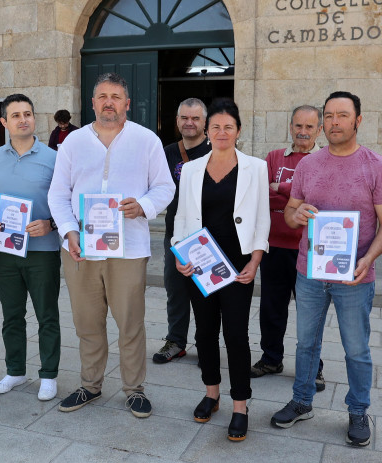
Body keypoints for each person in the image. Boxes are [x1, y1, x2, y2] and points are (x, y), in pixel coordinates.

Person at [271, 91, 382, 447]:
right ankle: (302, 401)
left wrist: (368, 259)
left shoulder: (376, 166)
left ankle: (358, 409)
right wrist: (296, 215)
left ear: (358, 120)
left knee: (356, 348)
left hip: (354, 276)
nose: (334, 122)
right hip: (309, 272)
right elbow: (291, 211)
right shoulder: (308, 165)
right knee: (305, 343)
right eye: (329, 116)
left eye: (342, 115)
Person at [48, 73, 174, 418]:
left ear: (127, 104)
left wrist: (144, 206)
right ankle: (90, 384)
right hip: (80, 248)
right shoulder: (73, 142)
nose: (109, 102)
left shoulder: (146, 140)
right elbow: (58, 193)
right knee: (87, 322)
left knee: (130, 322)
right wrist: (68, 232)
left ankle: (134, 390)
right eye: (102, 96)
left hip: (129, 249)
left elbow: (165, 187)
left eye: (116, 96)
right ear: (92, 103)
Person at [173, 99, 270, 442]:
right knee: (204, 332)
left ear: (238, 131)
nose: (222, 132)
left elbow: (262, 218)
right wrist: (177, 253)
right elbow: (182, 216)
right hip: (200, 265)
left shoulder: (256, 168)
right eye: (215, 126)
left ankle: (240, 405)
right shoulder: (192, 169)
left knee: (236, 334)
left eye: (229, 126)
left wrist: (256, 259)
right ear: (206, 130)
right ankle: (211, 393)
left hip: (238, 266)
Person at [0, 94, 61, 401]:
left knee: (47, 314)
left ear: (34, 118)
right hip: (5, 251)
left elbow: (67, 202)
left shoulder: (53, 157)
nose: (22, 119)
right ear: (5, 122)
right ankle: (15, 371)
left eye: (27, 113)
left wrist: (51, 224)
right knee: (11, 315)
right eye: (15, 115)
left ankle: (49, 375)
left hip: (42, 250)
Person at [251, 105, 327, 392]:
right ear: (291, 127)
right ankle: (271, 359)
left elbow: (315, 198)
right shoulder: (273, 157)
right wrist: (294, 193)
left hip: (309, 250)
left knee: (311, 312)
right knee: (271, 308)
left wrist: (282, 189)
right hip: (275, 246)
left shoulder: (324, 160)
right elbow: (263, 193)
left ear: (319, 129)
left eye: (309, 127)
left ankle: (313, 368)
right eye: (298, 126)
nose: (303, 132)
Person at [153, 98, 211, 364]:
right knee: (175, 289)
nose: (190, 123)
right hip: (175, 233)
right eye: (185, 118)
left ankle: (206, 344)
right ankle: (176, 341)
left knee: (207, 292)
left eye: (195, 118)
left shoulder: (216, 151)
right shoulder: (167, 152)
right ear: (177, 121)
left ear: (204, 122)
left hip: (209, 236)